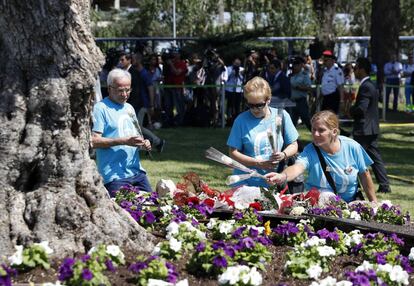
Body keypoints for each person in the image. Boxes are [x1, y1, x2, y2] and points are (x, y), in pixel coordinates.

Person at [265, 110, 378, 203]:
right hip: (319, 205)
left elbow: (365, 175)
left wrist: (374, 203)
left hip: (350, 204)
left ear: (334, 132)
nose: (315, 134)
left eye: (321, 130)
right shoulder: (310, 150)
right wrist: (282, 176)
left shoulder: (352, 147)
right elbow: (297, 168)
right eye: (313, 129)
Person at [227, 76, 299, 187]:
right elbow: (233, 152)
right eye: (251, 105)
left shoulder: (281, 116)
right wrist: (258, 163)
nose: (255, 109)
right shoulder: (241, 120)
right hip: (245, 182)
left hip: (273, 182)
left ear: (268, 100)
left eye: (259, 105)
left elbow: (294, 145)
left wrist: (283, 155)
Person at [92, 68, 152, 197]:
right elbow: (93, 141)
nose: (125, 94)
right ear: (109, 88)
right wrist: (123, 141)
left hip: (137, 173)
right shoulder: (100, 108)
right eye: (120, 90)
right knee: (124, 214)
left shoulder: (129, 108)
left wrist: (143, 143)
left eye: (128, 90)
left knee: (153, 209)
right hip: (114, 177)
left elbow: (134, 138)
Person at [351, 57, 391, 194]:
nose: (354, 71)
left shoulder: (366, 86)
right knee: (375, 157)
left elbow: (361, 109)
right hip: (370, 128)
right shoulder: (369, 85)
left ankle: (354, 185)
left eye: (355, 68)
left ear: (362, 69)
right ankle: (384, 185)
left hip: (364, 129)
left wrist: (349, 111)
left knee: (353, 157)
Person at [289, 56, 312, 131]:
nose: (294, 66)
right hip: (292, 101)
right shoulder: (291, 75)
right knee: (292, 122)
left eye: (296, 64)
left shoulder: (304, 75)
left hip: (301, 101)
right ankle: (291, 140)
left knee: (306, 119)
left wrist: (298, 87)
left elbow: (308, 88)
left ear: (300, 65)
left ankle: (316, 134)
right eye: (294, 64)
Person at [225, 57, 245, 125]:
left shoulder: (242, 69)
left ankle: (237, 119)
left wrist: (239, 73)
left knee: (237, 105)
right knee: (229, 105)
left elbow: (243, 79)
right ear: (233, 63)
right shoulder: (228, 68)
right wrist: (233, 72)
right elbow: (226, 78)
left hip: (239, 90)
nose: (237, 65)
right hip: (229, 89)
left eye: (238, 63)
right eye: (236, 63)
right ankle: (228, 119)